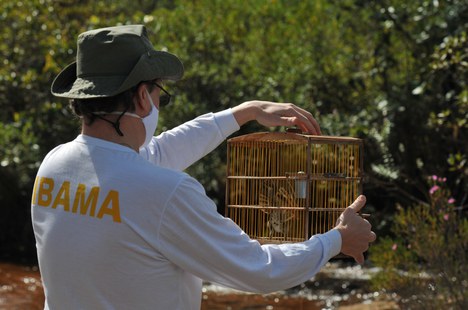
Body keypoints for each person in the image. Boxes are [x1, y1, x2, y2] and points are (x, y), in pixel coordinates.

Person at [31, 25, 376, 310]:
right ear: (140, 97)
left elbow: (153, 155)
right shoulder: (166, 192)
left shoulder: (54, 166)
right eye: (159, 96)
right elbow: (260, 271)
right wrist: (336, 240)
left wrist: (245, 112)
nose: (158, 105)